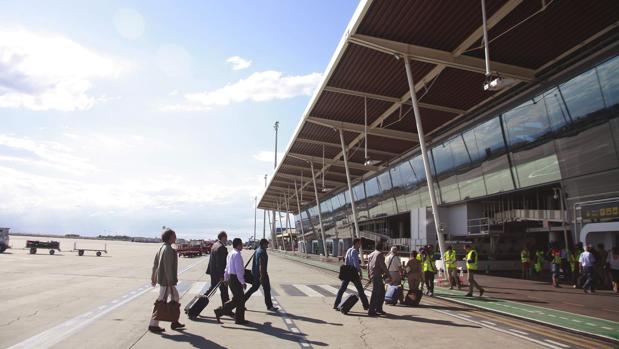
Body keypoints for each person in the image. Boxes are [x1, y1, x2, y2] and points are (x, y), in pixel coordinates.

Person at [148, 228, 185, 333]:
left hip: (165, 280)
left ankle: (174, 321)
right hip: (166, 281)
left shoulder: (162, 247)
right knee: (161, 301)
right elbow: (168, 267)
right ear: (169, 237)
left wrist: (153, 277)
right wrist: (170, 281)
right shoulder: (168, 249)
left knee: (174, 298)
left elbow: (155, 265)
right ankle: (153, 324)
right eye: (174, 236)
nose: (176, 237)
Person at [215, 238, 248, 324]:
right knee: (240, 300)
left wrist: (226, 278)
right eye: (241, 244)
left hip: (231, 278)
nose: (243, 246)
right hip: (235, 279)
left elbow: (227, 268)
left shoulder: (230, 254)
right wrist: (243, 282)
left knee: (237, 300)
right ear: (238, 245)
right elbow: (239, 271)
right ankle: (239, 319)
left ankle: (221, 312)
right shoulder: (237, 255)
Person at [333, 238, 370, 311]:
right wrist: (360, 273)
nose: (360, 245)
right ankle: (366, 306)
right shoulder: (354, 252)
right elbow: (356, 264)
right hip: (353, 273)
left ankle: (336, 304)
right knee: (360, 290)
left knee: (342, 289)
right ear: (356, 243)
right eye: (359, 243)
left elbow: (346, 261)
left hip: (347, 272)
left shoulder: (349, 250)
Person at [245, 239, 279, 311]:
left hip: (255, 274)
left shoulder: (257, 250)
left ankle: (241, 302)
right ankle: (269, 306)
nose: (267, 245)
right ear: (263, 244)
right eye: (266, 244)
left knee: (253, 289)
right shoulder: (262, 252)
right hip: (262, 274)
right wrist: (262, 276)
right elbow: (261, 265)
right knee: (266, 290)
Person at [206, 231, 230, 309]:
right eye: (226, 237)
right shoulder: (221, 248)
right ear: (223, 237)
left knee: (212, 289)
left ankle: (199, 301)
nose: (227, 239)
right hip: (219, 274)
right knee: (224, 292)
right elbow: (220, 264)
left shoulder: (214, 245)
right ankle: (227, 309)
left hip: (213, 272)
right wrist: (222, 276)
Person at [367, 242, 389, 317]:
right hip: (377, 276)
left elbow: (368, 266)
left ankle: (378, 308)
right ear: (381, 247)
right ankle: (372, 310)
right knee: (376, 293)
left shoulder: (371, 254)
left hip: (373, 275)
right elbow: (383, 266)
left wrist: (369, 275)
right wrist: (388, 274)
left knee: (381, 292)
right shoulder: (380, 254)